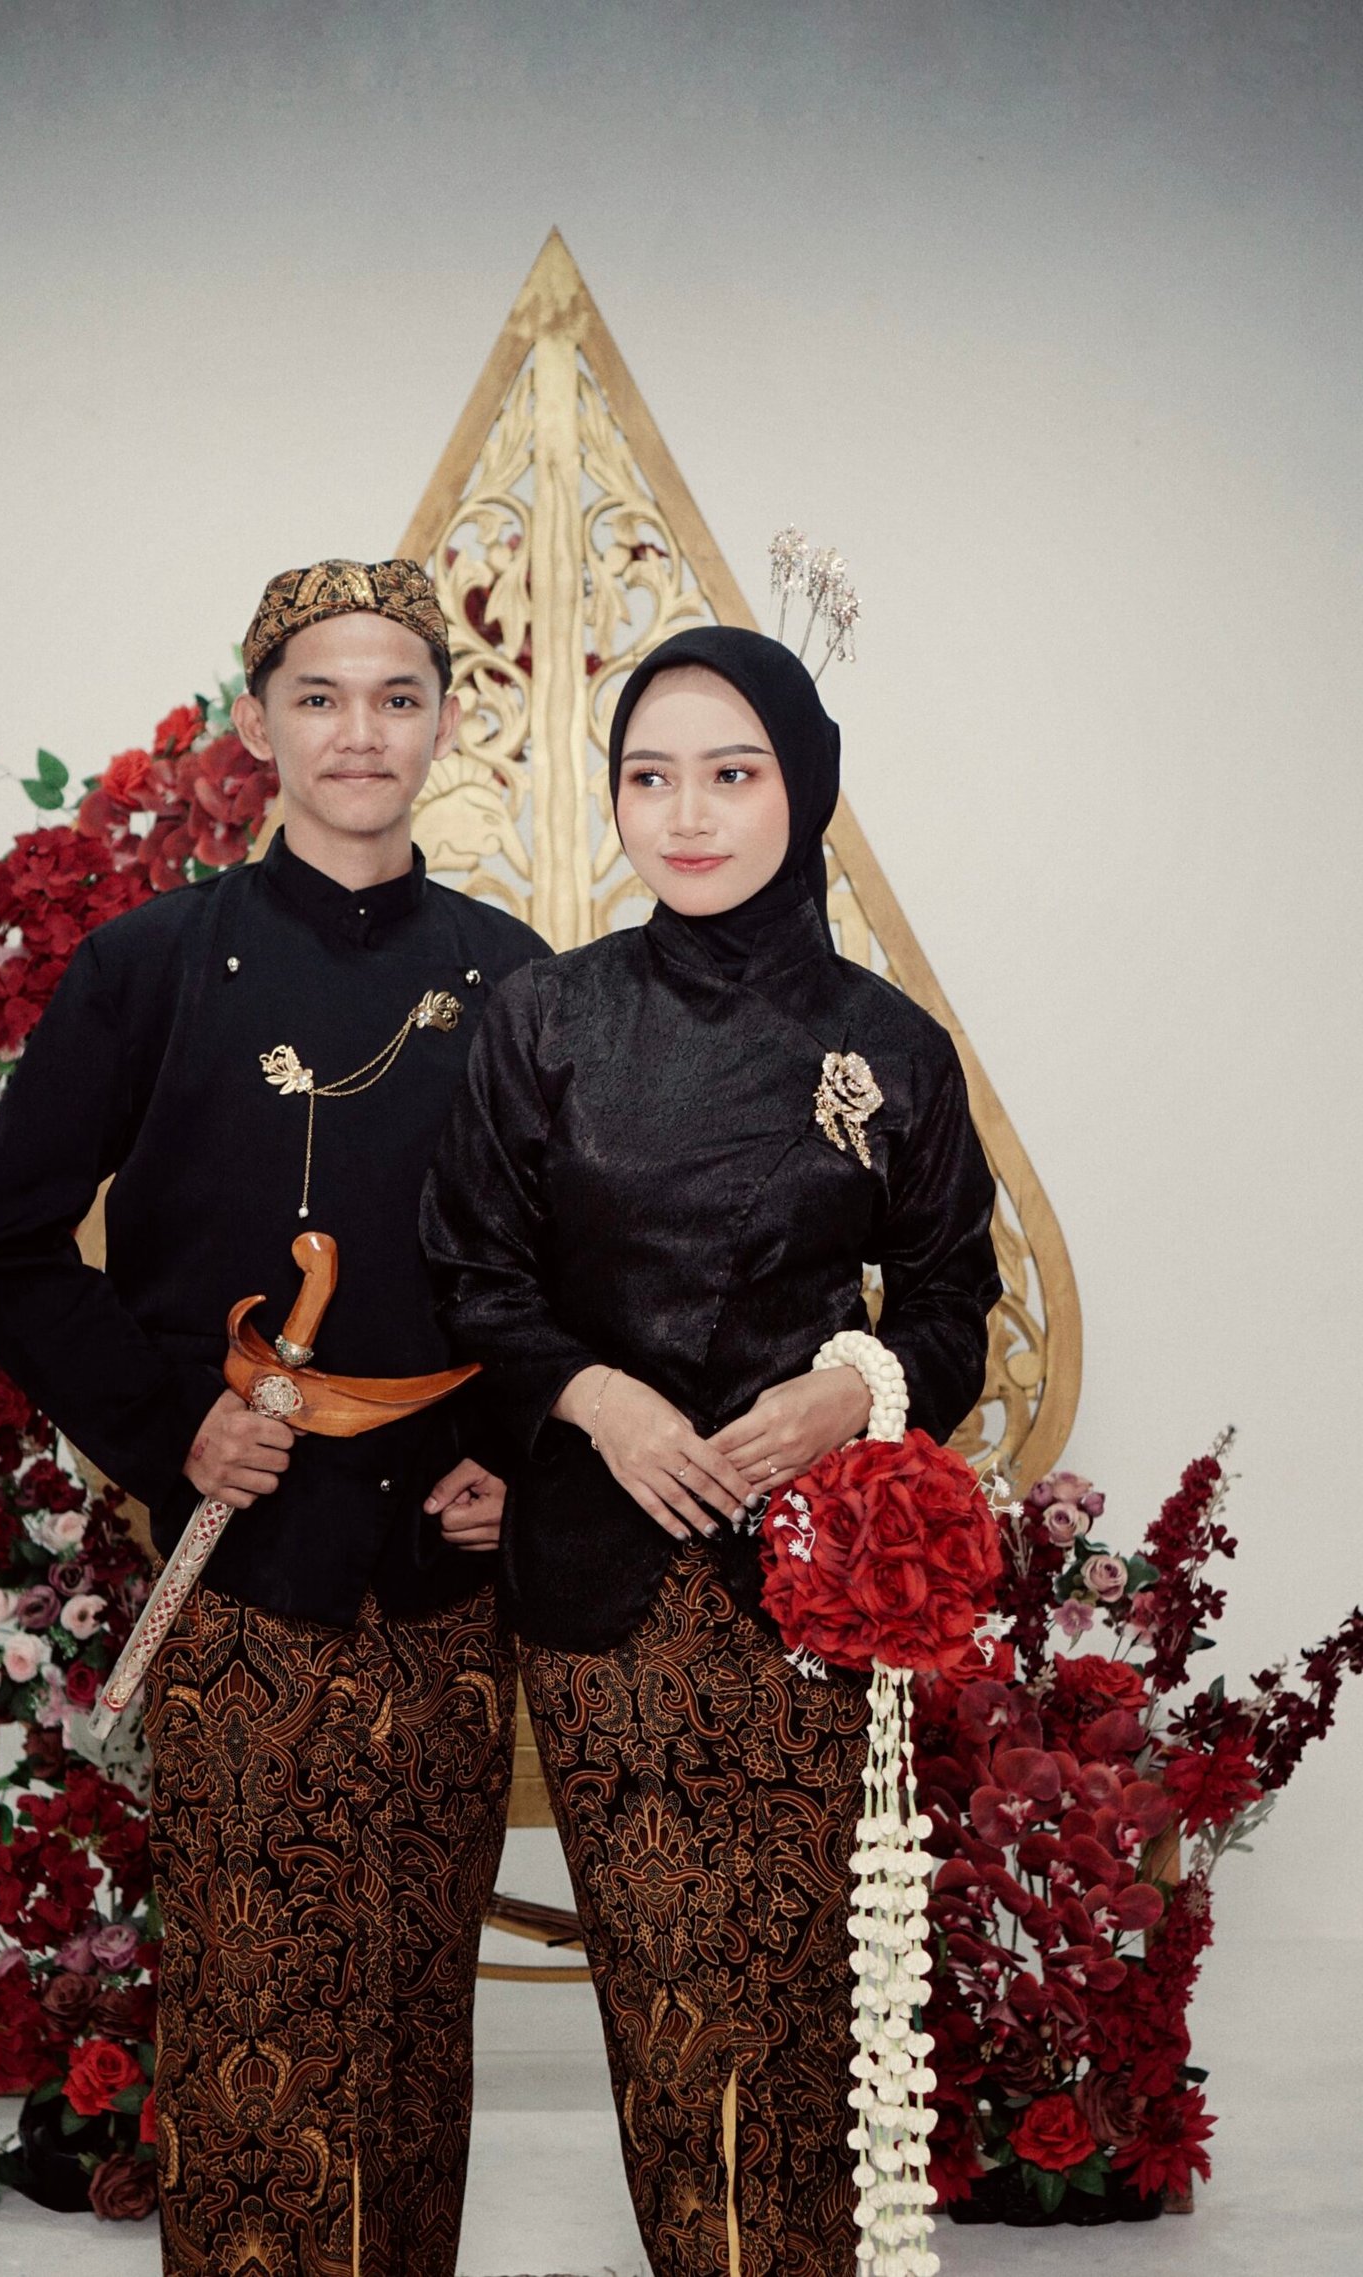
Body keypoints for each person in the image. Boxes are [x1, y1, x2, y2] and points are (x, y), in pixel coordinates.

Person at [0, 558, 548, 2277]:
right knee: (250, 2013)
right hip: (240, 1582)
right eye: (321, 696)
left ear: (445, 723)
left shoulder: (516, 978)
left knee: (416, 2015)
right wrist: (169, 1430)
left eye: (397, 697)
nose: (360, 732)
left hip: (443, 1586)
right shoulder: (148, 964)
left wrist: (514, 1453)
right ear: (258, 722)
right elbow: (7, 1246)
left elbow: (572, 1274)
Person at [421, 625, 1002, 2277]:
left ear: (801, 787)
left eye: (730, 774)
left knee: (812, 2000)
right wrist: (594, 1399)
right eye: (650, 776)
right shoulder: (546, 1019)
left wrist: (852, 1388)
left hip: (819, 1593)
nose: (686, 814)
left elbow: (954, 1301)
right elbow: (471, 1272)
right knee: (673, 2006)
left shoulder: (888, 1044)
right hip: (607, 1592)